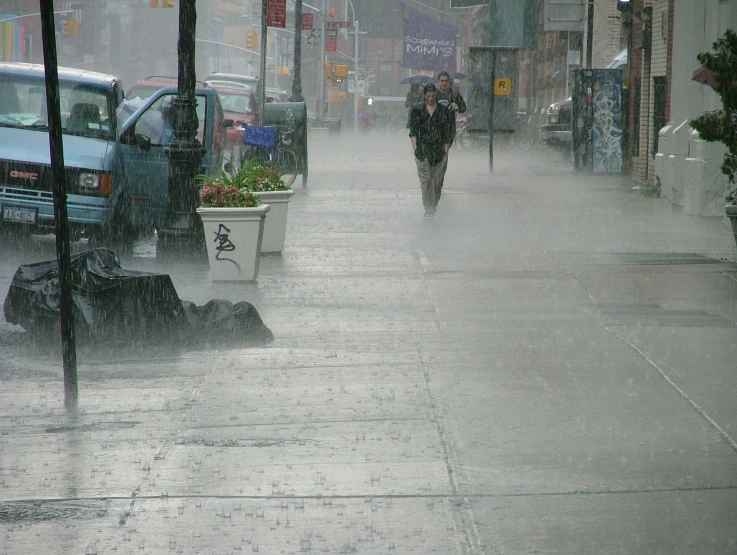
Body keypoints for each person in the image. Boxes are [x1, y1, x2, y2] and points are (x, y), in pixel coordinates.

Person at [409, 83, 453, 219]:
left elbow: (447, 133)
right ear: (424, 96)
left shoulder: (443, 111)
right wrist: (416, 148)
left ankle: (433, 205)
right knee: (426, 181)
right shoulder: (417, 110)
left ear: (436, 95)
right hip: (423, 150)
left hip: (439, 151)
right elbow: (413, 131)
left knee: (437, 182)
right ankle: (428, 208)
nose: (431, 98)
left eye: (433, 96)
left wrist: (445, 151)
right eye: (428, 96)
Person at [435, 71, 466, 146]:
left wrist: (457, 107)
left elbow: (463, 107)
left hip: (449, 127)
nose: (444, 83)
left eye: (446, 81)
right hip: (435, 127)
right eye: (442, 81)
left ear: (448, 81)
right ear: (438, 81)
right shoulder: (434, 94)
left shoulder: (454, 93)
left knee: (445, 151)